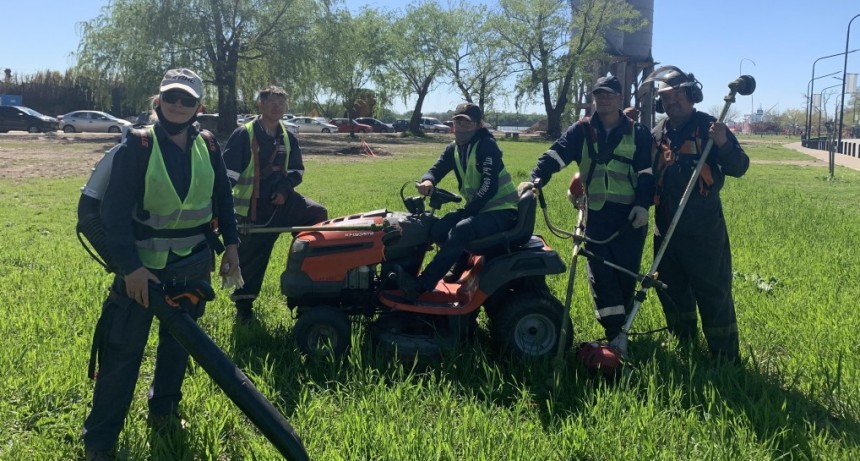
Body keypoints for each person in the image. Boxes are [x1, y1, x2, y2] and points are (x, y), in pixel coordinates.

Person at [83, 68, 241, 460]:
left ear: (198, 107)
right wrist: (131, 269)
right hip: (141, 274)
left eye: (187, 99)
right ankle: (100, 441)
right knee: (121, 354)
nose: (177, 104)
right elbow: (112, 216)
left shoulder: (209, 145)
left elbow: (223, 199)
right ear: (158, 100)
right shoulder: (136, 147)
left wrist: (233, 246)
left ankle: (164, 414)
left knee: (177, 348)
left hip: (193, 268)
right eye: (171, 96)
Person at [519, 75, 654, 343]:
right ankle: (614, 332)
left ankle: (621, 332)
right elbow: (555, 156)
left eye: (609, 95)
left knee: (624, 275)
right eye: (598, 95)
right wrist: (535, 179)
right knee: (601, 275)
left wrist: (642, 205)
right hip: (596, 215)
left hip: (629, 218)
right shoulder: (580, 130)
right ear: (593, 98)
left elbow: (647, 173)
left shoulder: (638, 133)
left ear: (619, 99)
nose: (603, 99)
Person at [646, 66, 749, 360]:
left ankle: (724, 358)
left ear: (691, 95)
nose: (672, 102)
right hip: (665, 228)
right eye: (666, 98)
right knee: (670, 290)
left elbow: (739, 167)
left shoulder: (710, 127)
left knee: (713, 292)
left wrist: (723, 144)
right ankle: (684, 344)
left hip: (703, 231)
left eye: (678, 95)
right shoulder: (657, 134)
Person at [223, 85, 328, 322]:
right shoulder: (244, 134)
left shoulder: (288, 137)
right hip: (253, 210)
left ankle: (305, 272)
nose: (277, 107)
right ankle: (244, 308)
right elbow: (227, 175)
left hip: (284, 203)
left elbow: (296, 171)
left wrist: (284, 189)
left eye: (281, 103)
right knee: (250, 261)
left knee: (317, 215)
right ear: (260, 104)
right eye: (272, 102)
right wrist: (221, 208)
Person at [397, 102, 518, 300]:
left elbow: (489, 187)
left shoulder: (487, 146)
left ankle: (421, 285)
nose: (460, 129)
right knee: (437, 229)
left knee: (462, 229)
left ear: (479, 125)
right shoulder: (454, 149)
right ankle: (462, 259)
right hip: (480, 209)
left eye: (466, 124)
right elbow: (436, 169)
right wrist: (428, 180)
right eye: (457, 124)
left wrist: (469, 213)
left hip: (503, 211)